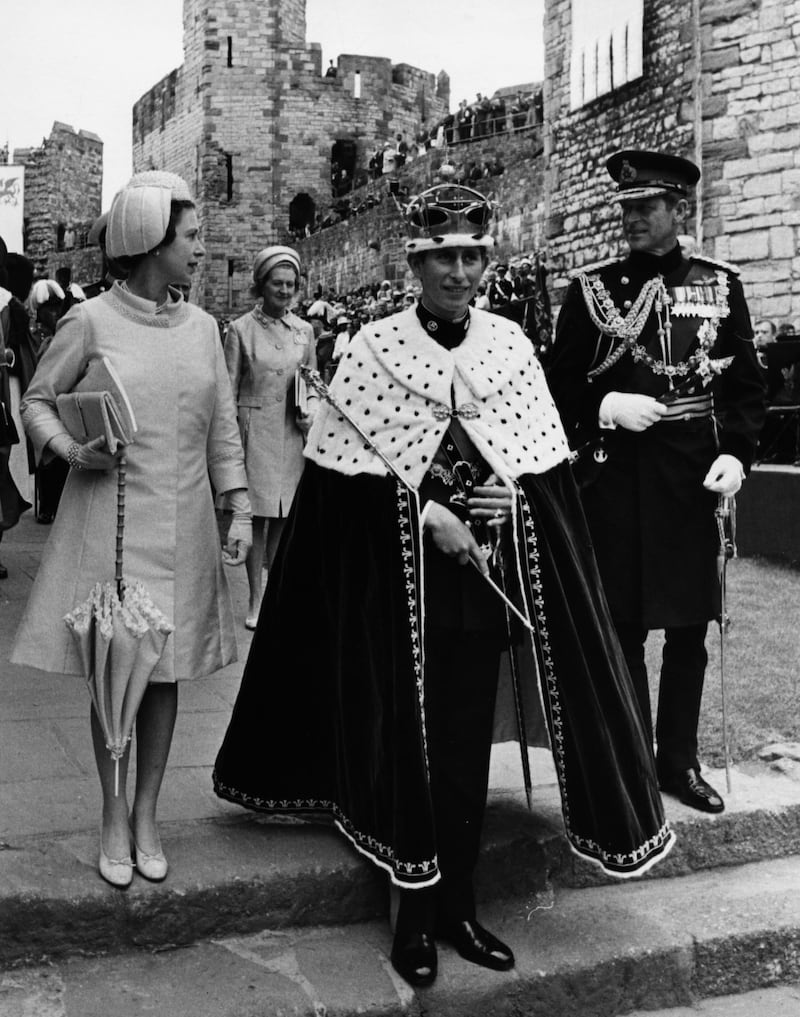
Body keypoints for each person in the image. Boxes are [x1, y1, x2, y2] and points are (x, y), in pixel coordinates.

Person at [213, 183, 673, 988]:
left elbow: (544, 477)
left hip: (478, 587)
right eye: (442, 259)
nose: (458, 272)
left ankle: (459, 905)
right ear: (415, 264)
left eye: (471, 257)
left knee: (460, 752)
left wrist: (514, 499)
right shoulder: (373, 352)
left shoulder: (512, 349)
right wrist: (427, 515)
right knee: (407, 744)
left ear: (485, 262)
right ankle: (413, 916)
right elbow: (342, 494)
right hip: (397, 589)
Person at [11, 171, 252, 888]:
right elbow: (38, 400)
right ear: (150, 241)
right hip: (108, 523)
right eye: (190, 236)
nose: (200, 249)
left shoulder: (206, 328)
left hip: (185, 525)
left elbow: (224, 429)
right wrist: (71, 451)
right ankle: (112, 813)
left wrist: (237, 504)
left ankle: (148, 812)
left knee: (167, 671)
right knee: (117, 668)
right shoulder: (90, 321)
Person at [547, 150, 766, 815]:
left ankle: (680, 760)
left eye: (647, 207)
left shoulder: (720, 285)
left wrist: (740, 455)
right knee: (622, 627)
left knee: (689, 629)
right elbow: (557, 387)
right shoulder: (593, 289)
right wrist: (602, 407)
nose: (634, 219)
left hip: (690, 477)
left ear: (680, 210)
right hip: (617, 481)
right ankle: (632, 758)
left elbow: (746, 387)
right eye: (628, 209)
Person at [222, 245, 317, 629]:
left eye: (291, 284)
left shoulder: (305, 330)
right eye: (277, 283)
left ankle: (276, 595)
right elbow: (227, 390)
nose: (284, 290)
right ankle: (255, 598)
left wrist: (311, 408)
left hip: (291, 432)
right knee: (255, 518)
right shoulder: (241, 330)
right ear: (261, 285)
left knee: (282, 519)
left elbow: (312, 378)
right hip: (254, 430)